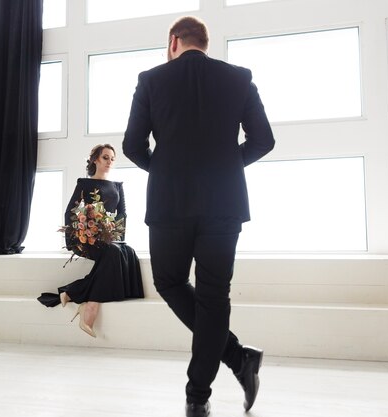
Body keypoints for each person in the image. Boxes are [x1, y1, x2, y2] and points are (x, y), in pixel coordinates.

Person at [122, 16, 275, 417]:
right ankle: (202, 392)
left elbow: (132, 145)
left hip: (170, 202)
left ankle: (233, 362)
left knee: (170, 283)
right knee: (213, 297)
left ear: (174, 41)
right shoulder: (239, 78)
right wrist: (224, 166)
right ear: (204, 43)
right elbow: (264, 140)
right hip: (223, 204)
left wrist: (168, 169)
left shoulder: (152, 80)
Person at [37, 144, 144, 338]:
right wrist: (79, 234)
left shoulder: (117, 186)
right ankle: (89, 310)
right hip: (86, 238)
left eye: (112, 158)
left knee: (126, 251)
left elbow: (122, 215)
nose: (109, 162)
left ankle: (73, 293)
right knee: (113, 253)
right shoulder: (84, 184)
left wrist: (117, 237)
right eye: (105, 157)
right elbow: (71, 211)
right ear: (95, 159)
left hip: (110, 239)